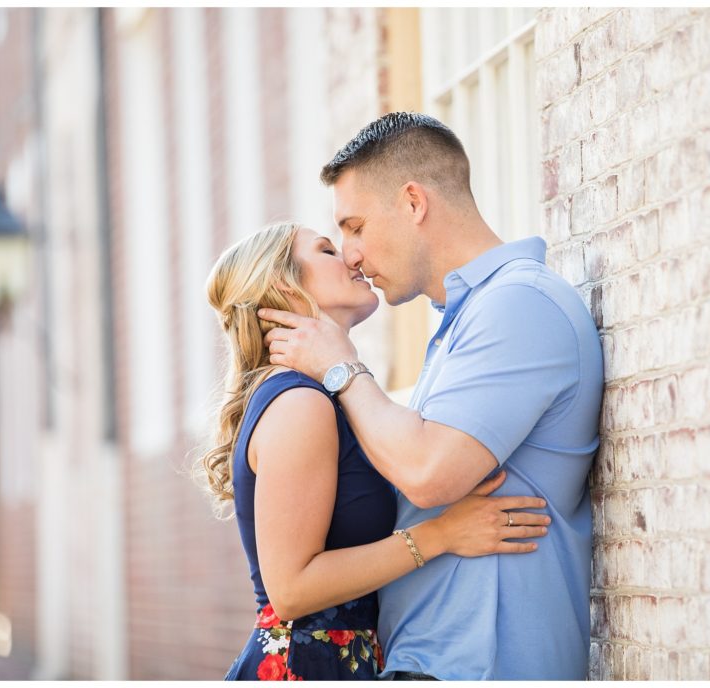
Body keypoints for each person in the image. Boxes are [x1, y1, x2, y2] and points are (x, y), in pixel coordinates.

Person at [259, 112, 604, 680]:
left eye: (356, 226)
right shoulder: (463, 320)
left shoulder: (518, 305)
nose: (350, 254)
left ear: (414, 202)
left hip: (484, 665)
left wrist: (342, 368)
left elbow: (428, 472)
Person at [198, 221, 551, 681]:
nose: (349, 257)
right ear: (285, 284)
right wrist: (441, 535)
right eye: (326, 250)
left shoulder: (320, 395)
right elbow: (290, 589)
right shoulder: (300, 403)